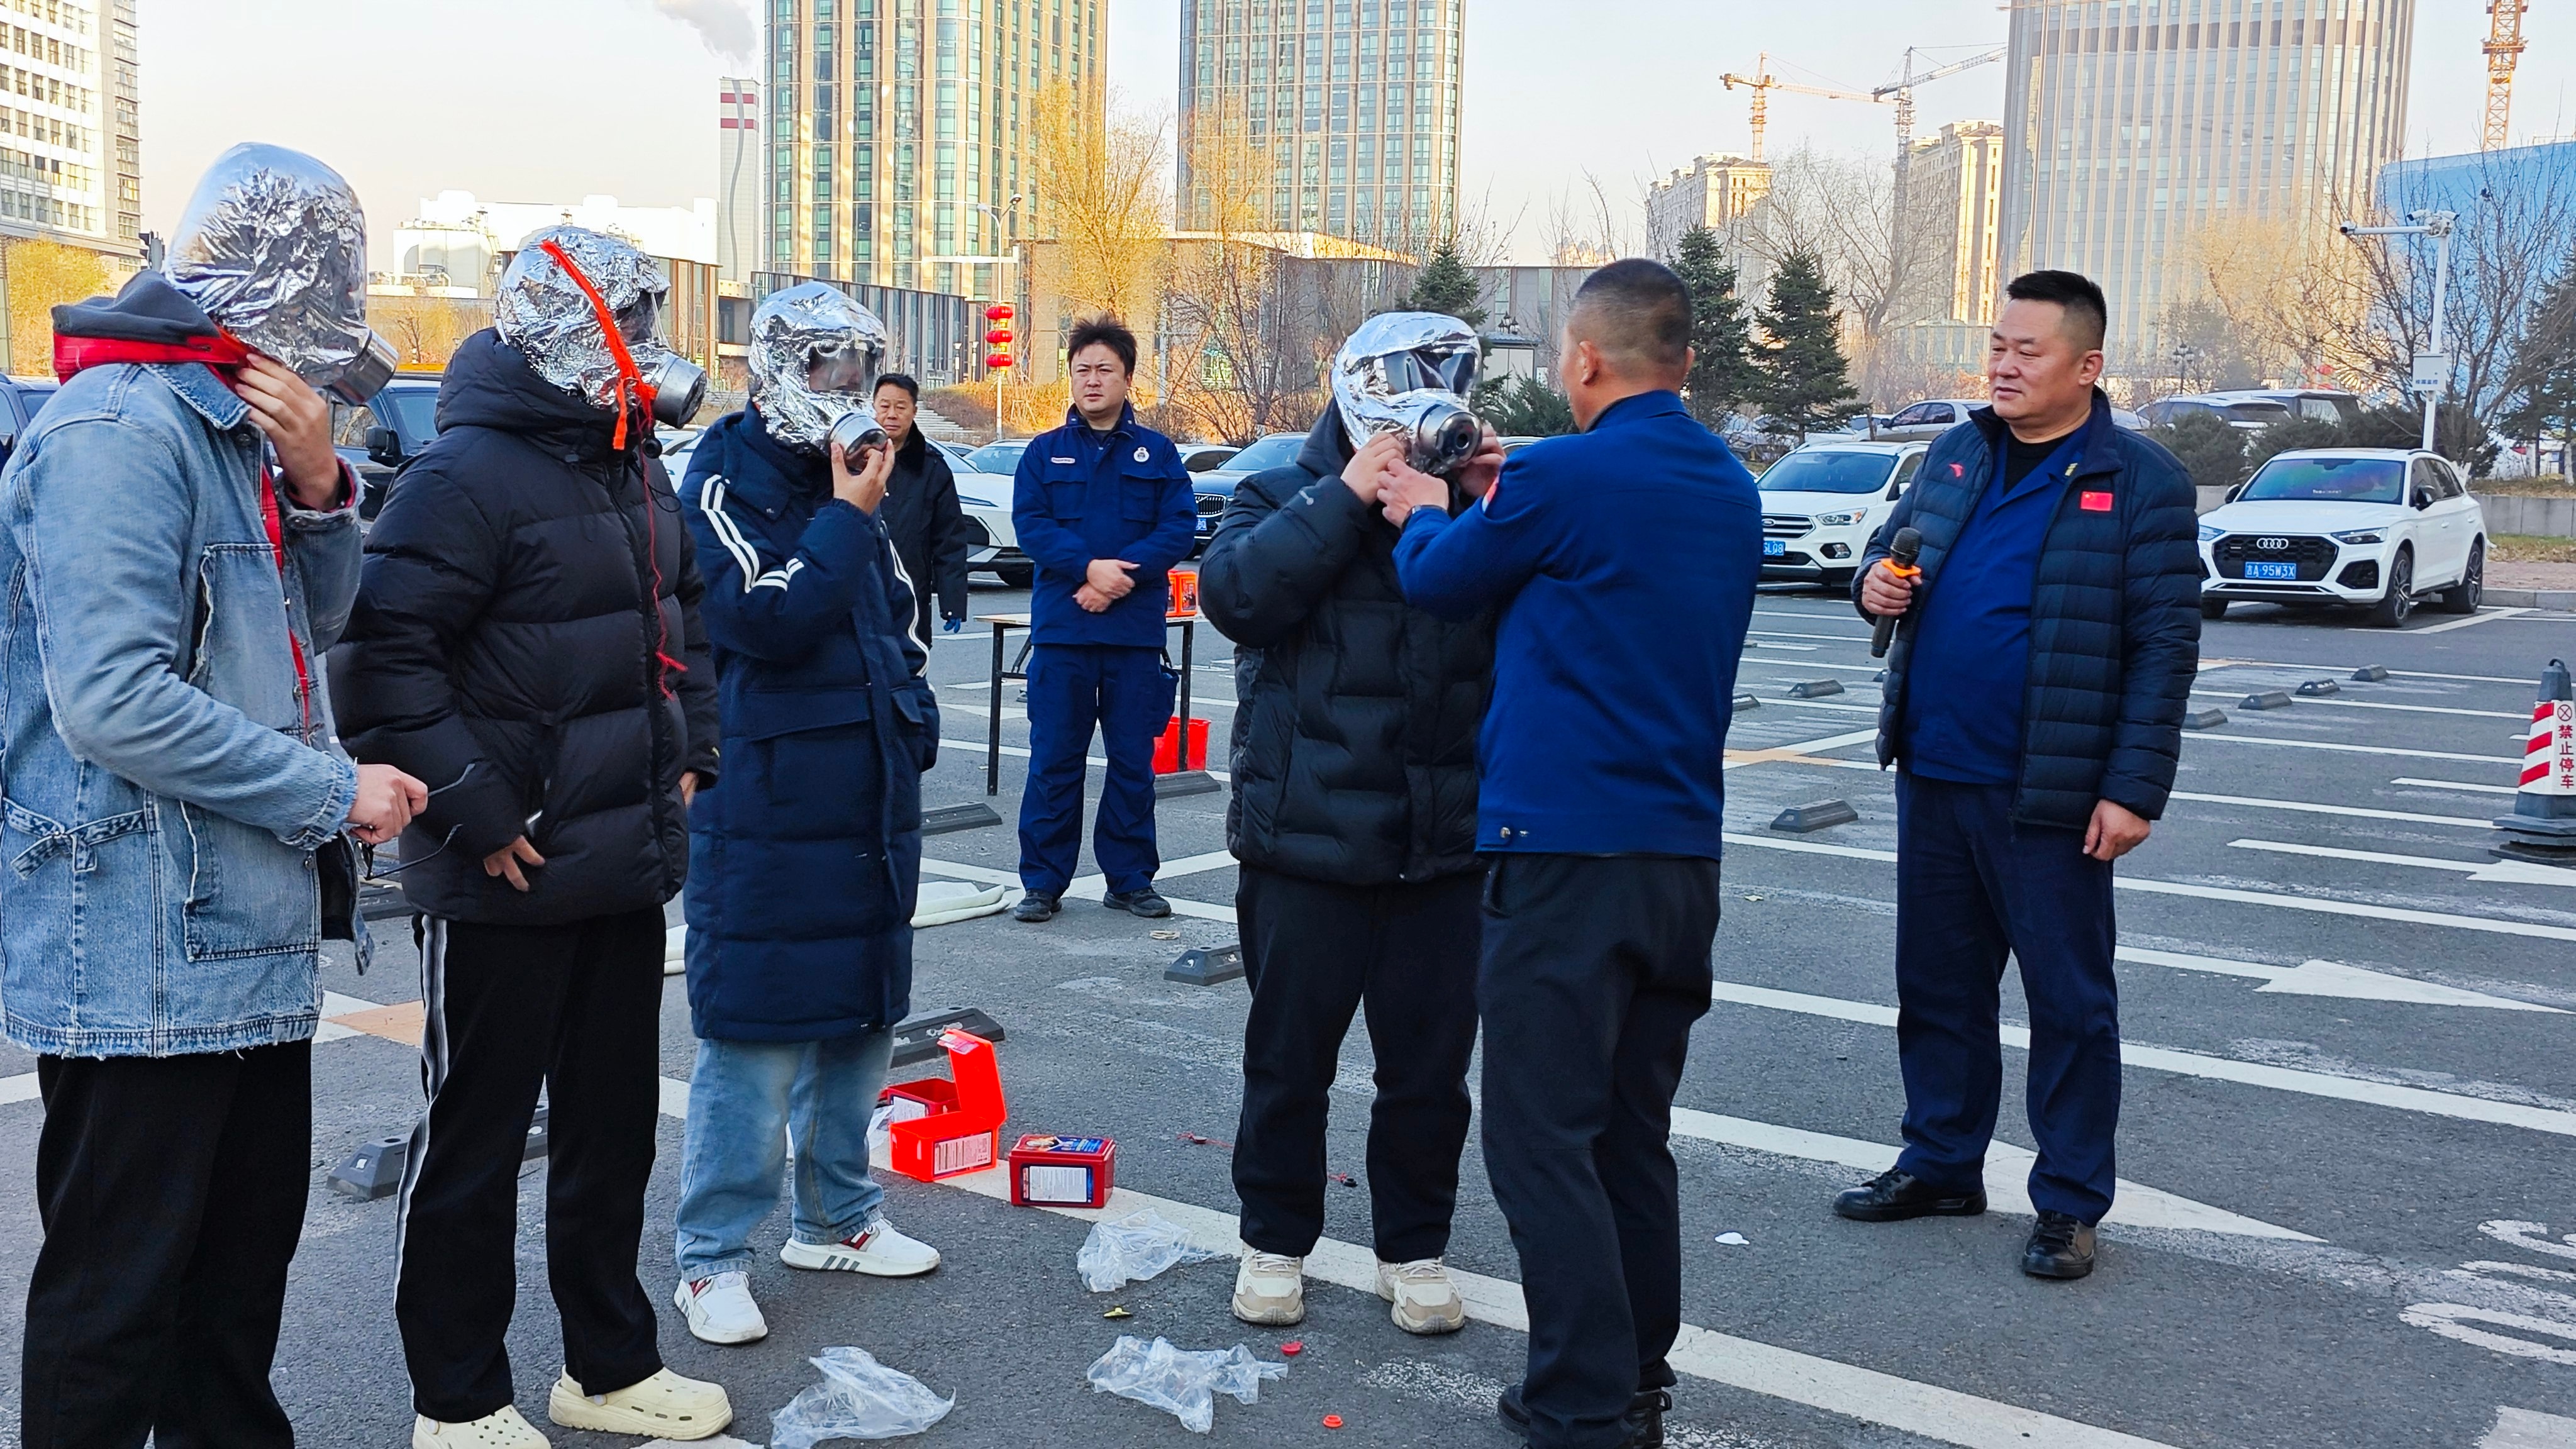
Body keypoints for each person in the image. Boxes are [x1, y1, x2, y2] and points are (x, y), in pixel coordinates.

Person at [0, 142, 423, 1449]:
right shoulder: (119, 431)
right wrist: (331, 790)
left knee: (232, 1296)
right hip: (140, 942)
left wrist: (319, 489)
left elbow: (306, 635)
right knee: (117, 1306)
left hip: (230, 929)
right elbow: (114, 701)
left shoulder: (225, 431)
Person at [336, 226, 735, 1448]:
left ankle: (607, 1368)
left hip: (621, 863)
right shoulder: (463, 477)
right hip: (500, 874)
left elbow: (683, 616)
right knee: (475, 1137)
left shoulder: (633, 464)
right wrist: (480, 810)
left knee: (611, 1133)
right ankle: (456, 1399)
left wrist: (694, 755)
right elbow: (381, 661)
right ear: (571, 333)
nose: (652, 348)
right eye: (633, 320)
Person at [1388, 260, 1760, 1449]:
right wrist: (1499, 493)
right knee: (1628, 1132)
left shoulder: (1560, 476)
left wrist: (1426, 504)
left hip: (1561, 855)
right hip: (1678, 858)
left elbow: (1439, 582)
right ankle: (1635, 1374)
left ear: (1587, 359)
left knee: (1540, 1137)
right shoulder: (1730, 483)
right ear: (1684, 359)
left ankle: (1580, 1400)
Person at [1836, 269, 2199, 1282]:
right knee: (1938, 987)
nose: (2003, 364)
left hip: (2054, 789)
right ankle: (1941, 1161)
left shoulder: (2140, 480)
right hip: (1936, 768)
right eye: (1997, 345)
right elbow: (1890, 556)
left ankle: (2071, 1201)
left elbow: (2165, 647)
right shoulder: (1956, 454)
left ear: (2087, 366)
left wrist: (2133, 789)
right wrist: (1875, 586)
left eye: (2027, 351)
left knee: (2070, 1004)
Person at [1199, 313, 1501, 1338]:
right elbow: (1236, 598)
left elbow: (1528, 614)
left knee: (1429, 1073)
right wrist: (1346, 494)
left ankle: (1414, 1249)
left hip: (1441, 841)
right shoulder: (1279, 488)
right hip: (1304, 838)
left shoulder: (1465, 501)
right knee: (1289, 1062)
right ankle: (1273, 1241)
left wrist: (1484, 502)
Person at [668, 282, 945, 1348]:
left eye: (859, 369)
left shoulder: (857, 482)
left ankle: (836, 1216)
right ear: (780, 369)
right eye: (828, 367)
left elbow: (899, 618)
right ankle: (711, 1257)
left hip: (869, 795)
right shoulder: (721, 479)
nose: (849, 391)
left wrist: (912, 722)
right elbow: (764, 617)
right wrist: (846, 513)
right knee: (756, 1033)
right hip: (769, 801)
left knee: (860, 1021)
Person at [1006, 317, 1196, 923]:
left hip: (1133, 635)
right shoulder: (1044, 453)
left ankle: (1131, 879)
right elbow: (1032, 525)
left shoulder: (1158, 454)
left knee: (1133, 764)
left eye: (1104, 370)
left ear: (1127, 378)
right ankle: (1042, 883)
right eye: (1082, 369)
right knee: (1053, 762)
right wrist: (1088, 569)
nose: (1092, 380)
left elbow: (1178, 526)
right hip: (1064, 634)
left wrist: (1121, 576)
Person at [869, 371, 972, 643]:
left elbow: (950, 541)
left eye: (901, 407)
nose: (892, 414)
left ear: (914, 411)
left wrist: (953, 602)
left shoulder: (932, 469)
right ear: (873, 407)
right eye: (885, 406)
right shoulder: (851, 459)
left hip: (910, 597)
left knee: (908, 666)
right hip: (858, 594)